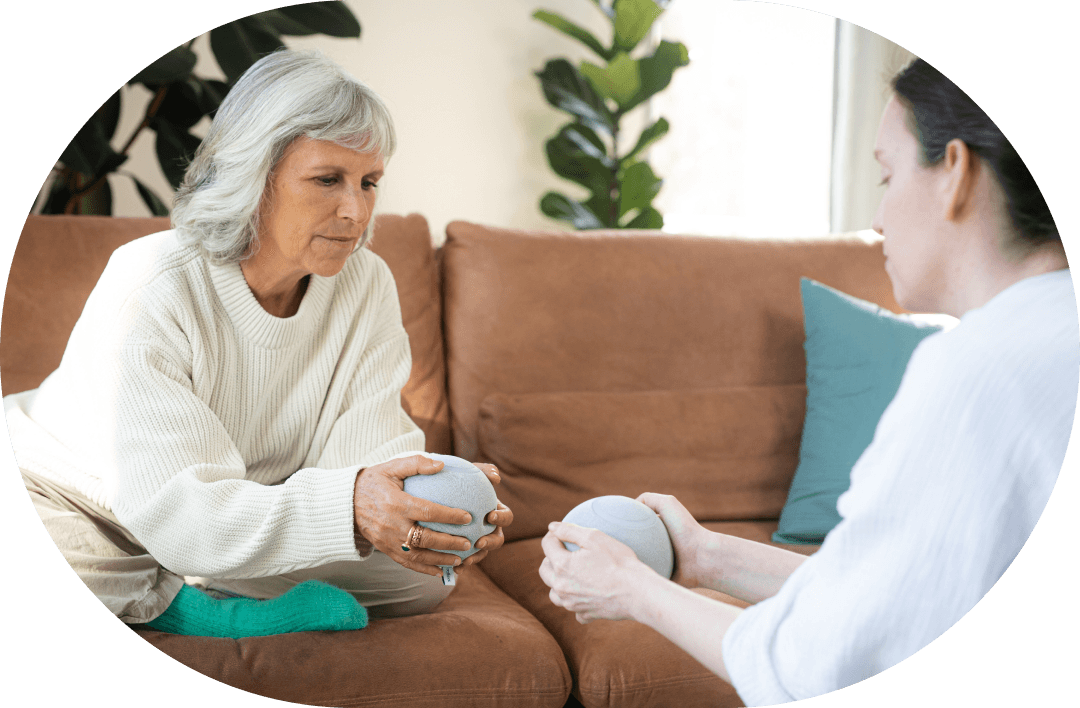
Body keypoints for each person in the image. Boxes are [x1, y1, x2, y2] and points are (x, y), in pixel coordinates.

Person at [539, 57, 1077, 704]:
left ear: (954, 174)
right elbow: (882, 600)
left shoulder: (979, 370)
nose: (877, 219)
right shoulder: (1050, 337)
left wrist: (634, 589)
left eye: (888, 173)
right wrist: (706, 556)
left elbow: (810, 666)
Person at [6, 48, 512, 638]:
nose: (355, 210)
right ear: (254, 175)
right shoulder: (152, 280)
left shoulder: (366, 281)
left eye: (369, 182)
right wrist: (346, 507)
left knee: (419, 579)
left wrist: (427, 515)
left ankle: (193, 570)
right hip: (72, 497)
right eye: (327, 179)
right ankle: (199, 607)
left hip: (230, 510)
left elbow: (369, 456)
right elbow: (176, 507)